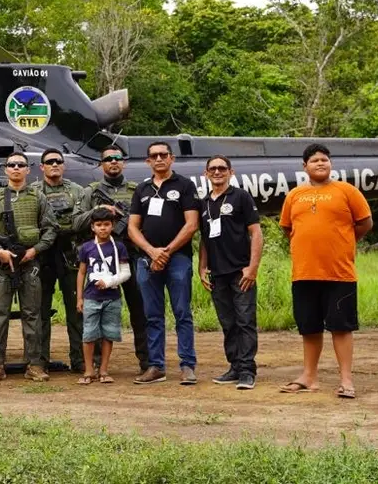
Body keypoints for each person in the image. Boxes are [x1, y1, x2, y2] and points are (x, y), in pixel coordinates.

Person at [278, 144, 372, 399]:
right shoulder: (294, 195)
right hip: (304, 273)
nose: (321, 163)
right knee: (309, 327)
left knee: (341, 327)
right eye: (315, 160)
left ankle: (346, 380)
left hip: (339, 273)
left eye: (324, 160)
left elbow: (365, 222)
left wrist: (343, 243)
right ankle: (309, 377)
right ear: (304, 166)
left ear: (330, 164)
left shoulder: (347, 191)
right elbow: (287, 228)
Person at [0, 151, 58, 383]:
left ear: (28, 169)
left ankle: (34, 364)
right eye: (11, 165)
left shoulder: (38, 197)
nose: (15, 168)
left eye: (20, 165)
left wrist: (35, 250)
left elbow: (51, 228)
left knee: (32, 314)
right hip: (2, 266)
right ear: (5, 169)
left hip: (30, 264)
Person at [72, 144, 150, 374]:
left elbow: (149, 220)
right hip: (101, 261)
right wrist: (99, 210)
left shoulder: (138, 190)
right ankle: (95, 363)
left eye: (117, 158)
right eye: (108, 159)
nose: (113, 162)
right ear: (101, 164)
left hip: (131, 256)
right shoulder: (91, 192)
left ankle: (147, 362)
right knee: (97, 310)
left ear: (123, 162)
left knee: (140, 311)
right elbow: (75, 223)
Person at [128, 141, 200, 385]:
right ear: (148, 161)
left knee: (182, 313)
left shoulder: (185, 186)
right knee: (152, 315)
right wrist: (151, 251)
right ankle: (156, 366)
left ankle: (187, 365)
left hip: (177, 258)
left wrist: (166, 252)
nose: (159, 159)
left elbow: (191, 224)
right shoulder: (142, 189)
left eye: (163, 155)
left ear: (172, 158)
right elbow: (132, 227)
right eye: (153, 156)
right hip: (146, 260)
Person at [198, 155, 263, 390]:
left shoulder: (241, 197)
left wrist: (252, 268)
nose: (217, 172)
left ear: (230, 172)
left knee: (245, 320)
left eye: (222, 168)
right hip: (217, 273)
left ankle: (247, 370)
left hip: (240, 271)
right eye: (212, 169)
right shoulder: (203, 203)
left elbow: (256, 233)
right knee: (228, 322)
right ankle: (235, 366)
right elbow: (205, 238)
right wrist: (202, 266)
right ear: (206, 174)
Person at [30, 148, 85, 373]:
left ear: (64, 166)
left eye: (58, 161)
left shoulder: (77, 191)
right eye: (49, 162)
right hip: (42, 256)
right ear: (42, 167)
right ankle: (40, 360)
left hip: (70, 254)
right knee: (40, 310)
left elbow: (81, 221)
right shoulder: (32, 191)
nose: (54, 164)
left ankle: (81, 359)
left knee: (76, 310)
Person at [75, 208, 132, 385]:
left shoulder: (119, 247)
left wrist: (108, 282)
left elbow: (125, 273)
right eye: (99, 225)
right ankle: (89, 369)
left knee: (109, 333)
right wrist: (80, 297)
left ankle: (104, 369)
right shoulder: (87, 247)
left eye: (106, 225)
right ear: (92, 227)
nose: (103, 228)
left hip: (112, 297)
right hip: (91, 297)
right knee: (89, 334)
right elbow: (81, 272)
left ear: (112, 226)